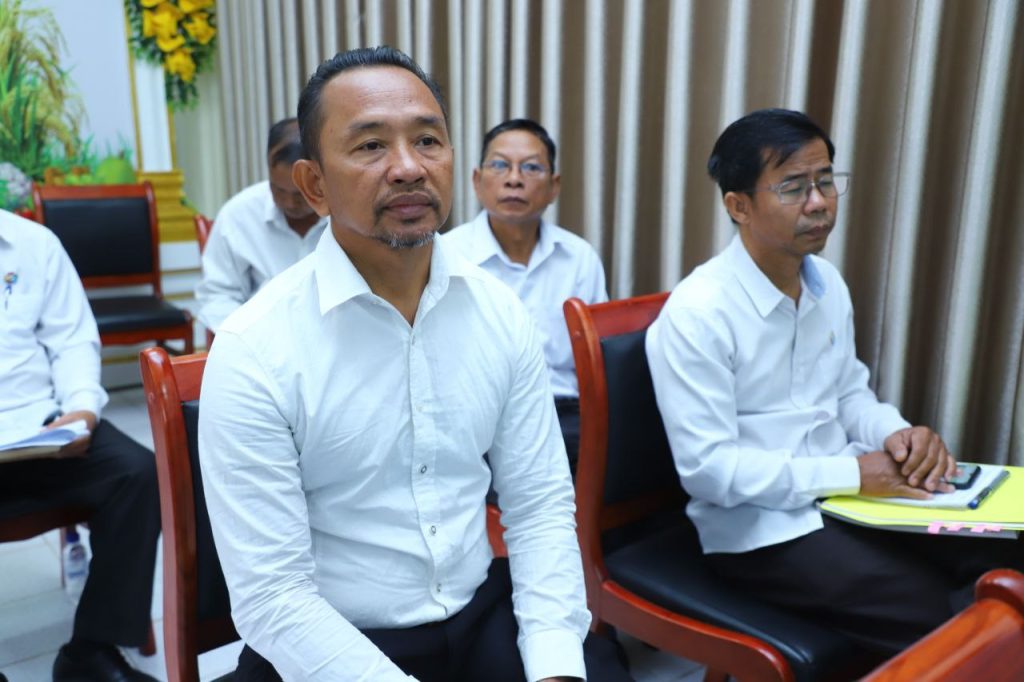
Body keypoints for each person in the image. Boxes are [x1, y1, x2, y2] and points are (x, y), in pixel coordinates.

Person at [198, 47, 632, 682]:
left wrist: (553, 664)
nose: (408, 168)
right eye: (371, 145)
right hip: (328, 643)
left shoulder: (498, 311)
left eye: (428, 140)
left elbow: (538, 505)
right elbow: (273, 597)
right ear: (315, 186)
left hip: (480, 614)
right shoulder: (255, 349)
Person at [645, 108, 1022, 657]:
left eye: (825, 180)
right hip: (761, 530)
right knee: (948, 621)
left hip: (850, 501)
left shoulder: (827, 284)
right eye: (794, 187)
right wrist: (854, 474)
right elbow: (710, 471)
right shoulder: (697, 315)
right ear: (738, 206)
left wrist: (897, 435)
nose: (819, 202)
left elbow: (849, 393)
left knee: (1004, 557)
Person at [0, 209, 160, 681]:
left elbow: (71, 340)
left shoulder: (33, 243)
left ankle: (91, 651)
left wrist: (81, 411)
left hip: (38, 425)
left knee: (136, 473)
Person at [443, 119, 607, 473]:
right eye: (500, 165)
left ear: (554, 186)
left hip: (565, 412)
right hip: (480, 414)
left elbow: (597, 360)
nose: (514, 179)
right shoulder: (447, 257)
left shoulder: (578, 257)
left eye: (531, 167)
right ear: (477, 181)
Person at [195, 117, 328, 334]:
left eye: (299, 194)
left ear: (320, 175)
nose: (289, 203)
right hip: (260, 338)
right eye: (278, 190)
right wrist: (249, 337)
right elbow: (217, 295)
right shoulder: (239, 215)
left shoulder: (348, 213)